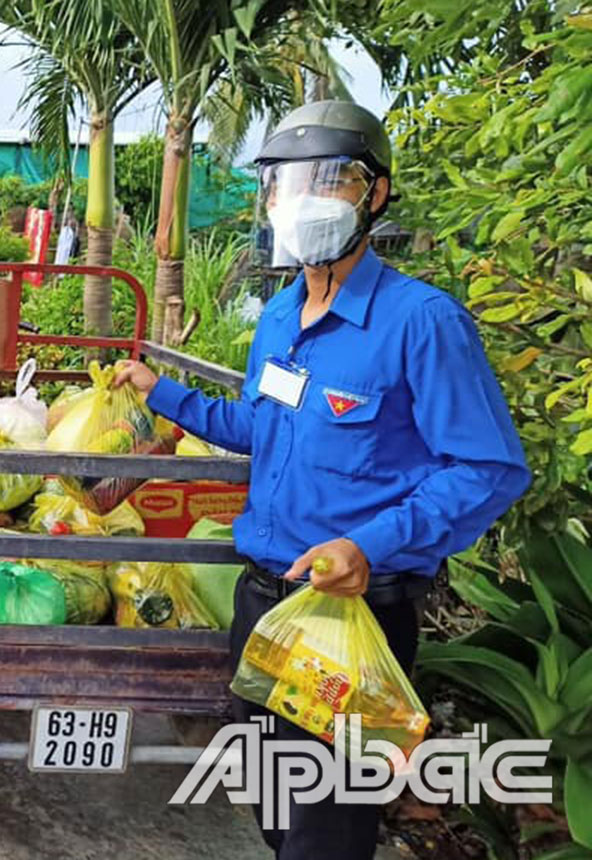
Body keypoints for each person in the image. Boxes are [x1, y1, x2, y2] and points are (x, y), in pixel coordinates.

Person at [115, 101, 529, 859]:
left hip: (353, 619)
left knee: (327, 829)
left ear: (375, 195)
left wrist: (371, 544)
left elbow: (489, 469)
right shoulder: (279, 317)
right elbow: (260, 430)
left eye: (330, 179)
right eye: (283, 182)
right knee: (274, 805)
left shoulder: (421, 322)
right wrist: (159, 392)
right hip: (265, 606)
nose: (300, 200)